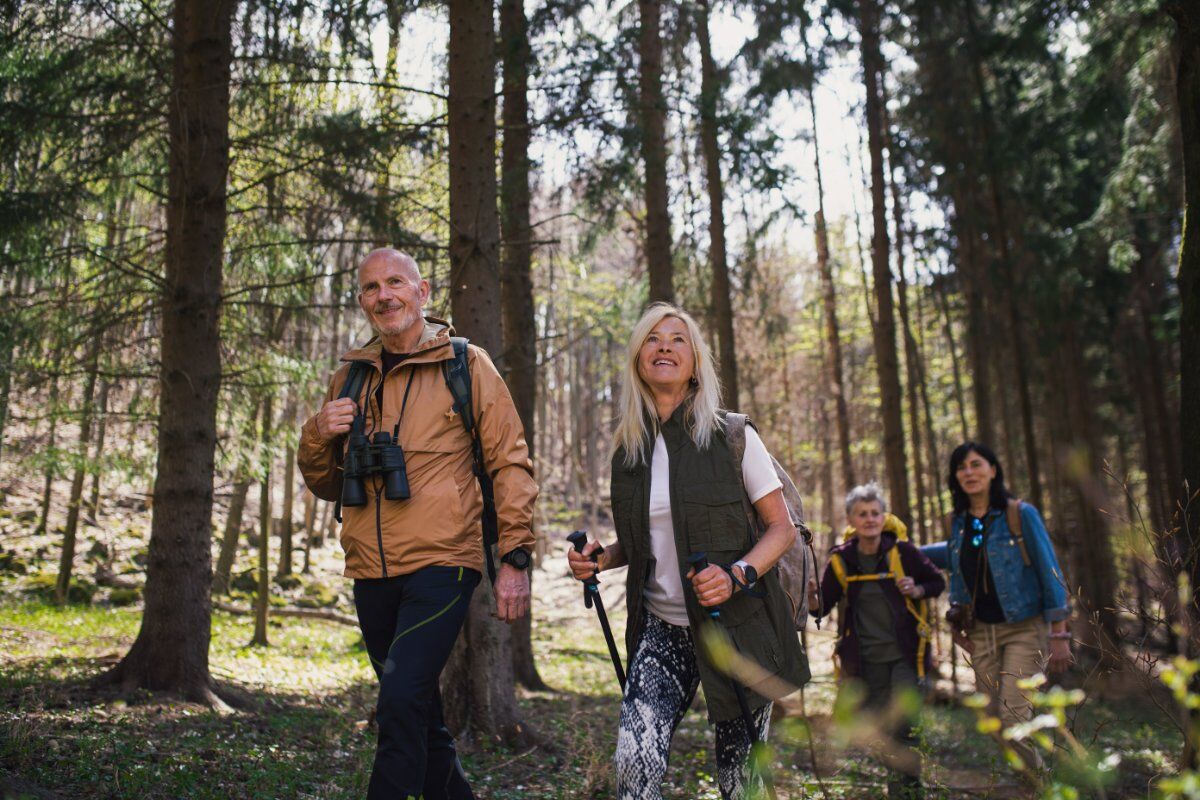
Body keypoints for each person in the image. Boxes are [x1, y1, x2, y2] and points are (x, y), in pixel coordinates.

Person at [298, 248, 538, 800]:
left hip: (443, 563)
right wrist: (318, 433)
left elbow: (510, 461)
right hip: (370, 568)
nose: (384, 295)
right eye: (371, 288)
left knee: (399, 701)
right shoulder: (350, 376)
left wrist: (515, 557)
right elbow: (328, 483)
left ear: (422, 291)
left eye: (395, 283)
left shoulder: (465, 363)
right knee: (419, 714)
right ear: (362, 301)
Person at [567, 302, 809, 800]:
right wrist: (601, 558)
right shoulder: (628, 450)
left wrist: (738, 573)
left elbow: (781, 529)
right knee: (634, 764)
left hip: (738, 628)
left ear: (695, 361)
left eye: (678, 339)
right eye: (652, 339)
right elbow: (644, 543)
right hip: (663, 630)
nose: (664, 347)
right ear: (638, 359)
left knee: (740, 784)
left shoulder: (732, 436)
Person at [923, 441, 1072, 775]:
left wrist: (1060, 632)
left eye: (976, 464)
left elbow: (1051, 572)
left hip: (1023, 629)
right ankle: (1032, 784)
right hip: (980, 633)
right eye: (961, 467)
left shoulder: (1019, 514)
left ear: (993, 471)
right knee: (992, 720)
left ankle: (1043, 789)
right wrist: (901, 549)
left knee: (1013, 720)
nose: (969, 472)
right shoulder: (960, 522)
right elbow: (953, 556)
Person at [807, 482, 944, 799]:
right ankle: (897, 786)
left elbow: (936, 581)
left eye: (875, 513)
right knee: (884, 731)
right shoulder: (841, 561)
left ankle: (908, 793)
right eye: (862, 514)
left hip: (906, 658)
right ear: (851, 520)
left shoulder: (903, 553)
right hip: (866, 663)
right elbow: (822, 606)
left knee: (905, 728)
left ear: (884, 517)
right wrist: (812, 597)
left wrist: (917, 588)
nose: (869, 519)